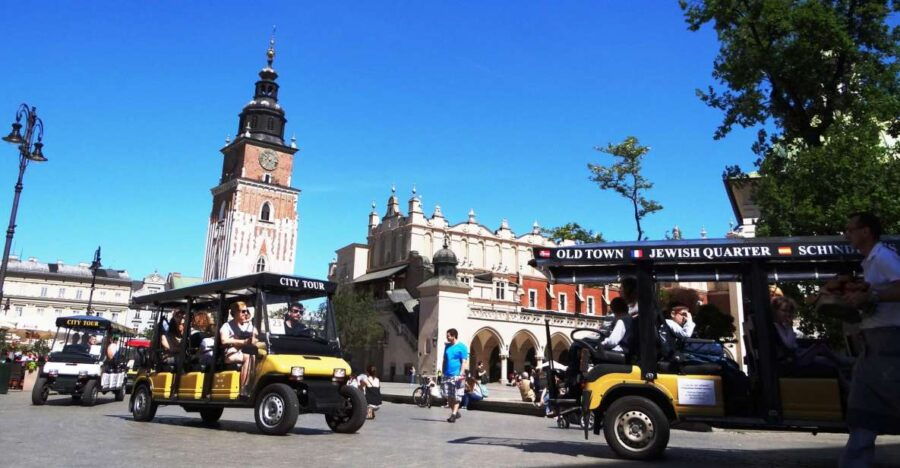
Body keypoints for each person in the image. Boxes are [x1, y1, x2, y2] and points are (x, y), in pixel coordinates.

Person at [840, 212, 900, 467]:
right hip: (874, 344)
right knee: (861, 408)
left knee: (871, 404)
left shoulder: (884, 256)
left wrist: (871, 298)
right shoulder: (869, 261)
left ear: (866, 231)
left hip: (890, 343)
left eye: (851, 230)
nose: (848, 235)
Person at [219, 301, 259, 395]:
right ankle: (244, 388)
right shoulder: (227, 325)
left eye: (246, 311)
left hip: (245, 351)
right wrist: (242, 342)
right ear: (235, 312)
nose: (245, 313)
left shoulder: (248, 325)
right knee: (248, 357)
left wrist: (250, 324)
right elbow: (224, 340)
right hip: (231, 353)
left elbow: (256, 337)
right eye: (243, 311)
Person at [442, 328, 468, 423]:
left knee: (457, 396)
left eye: (448, 335)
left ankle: (453, 415)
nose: (447, 337)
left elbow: (464, 361)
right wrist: (443, 371)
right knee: (448, 396)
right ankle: (456, 412)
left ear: (454, 336)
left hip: (457, 375)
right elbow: (444, 360)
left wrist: (461, 373)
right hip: (447, 375)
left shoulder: (462, 347)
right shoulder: (447, 346)